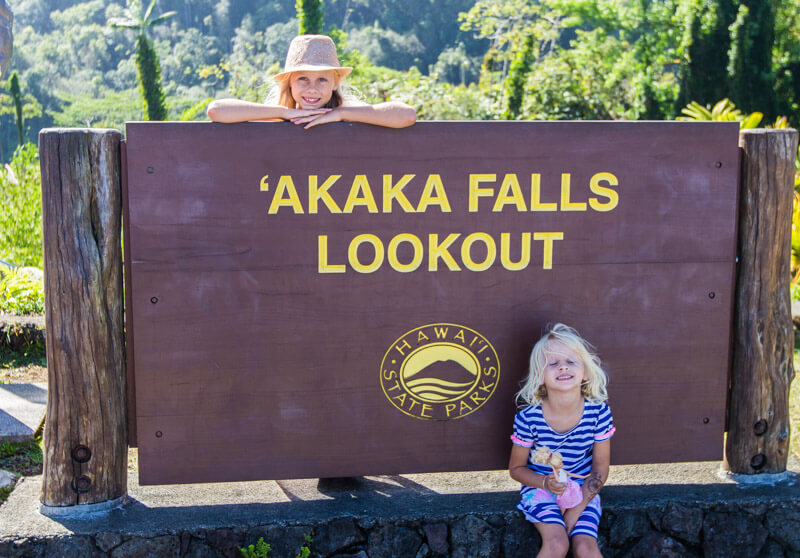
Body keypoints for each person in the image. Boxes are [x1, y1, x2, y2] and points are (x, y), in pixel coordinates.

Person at [509, 323, 614, 558]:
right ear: (539, 376)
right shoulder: (529, 418)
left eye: (571, 361)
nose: (563, 366)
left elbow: (600, 469)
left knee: (585, 547)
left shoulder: (598, 413)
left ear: (585, 372)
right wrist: (546, 483)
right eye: (553, 363)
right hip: (541, 490)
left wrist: (575, 510)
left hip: (582, 491)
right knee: (557, 544)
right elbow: (516, 469)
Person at [207, 34, 416, 129]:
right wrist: (283, 113)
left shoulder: (351, 115)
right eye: (303, 78)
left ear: (335, 83)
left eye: (322, 79)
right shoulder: (278, 116)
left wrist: (341, 114)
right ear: (290, 82)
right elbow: (216, 110)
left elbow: (407, 115)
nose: (312, 88)